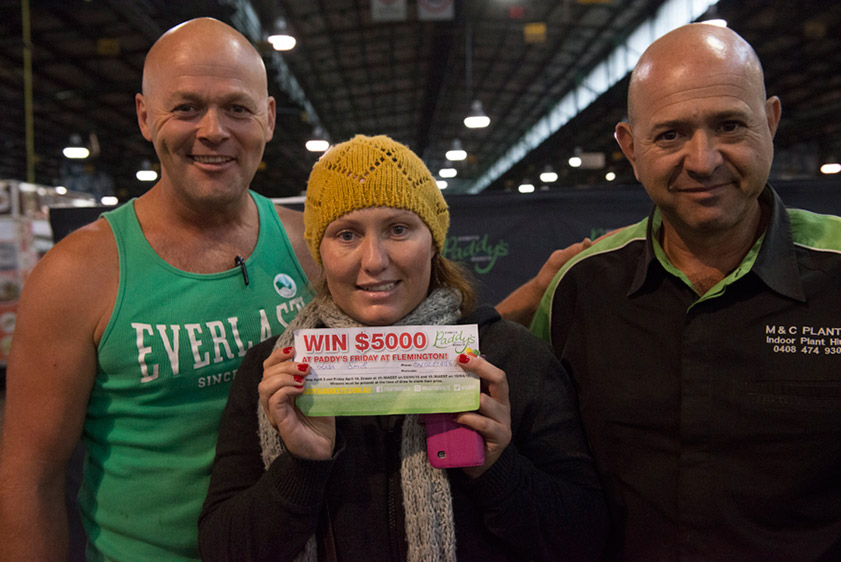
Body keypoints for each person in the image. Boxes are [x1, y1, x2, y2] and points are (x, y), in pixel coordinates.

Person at [198, 134, 608, 561]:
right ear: (320, 250)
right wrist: (302, 466)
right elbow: (222, 549)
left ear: (433, 242)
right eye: (346, 235)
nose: (374, 260)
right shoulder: (276, 372)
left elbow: (585, 538)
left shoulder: (510, 358)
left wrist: (497, 469)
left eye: (398, 229)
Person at [0, 18, 319, 562]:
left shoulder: (312, 247)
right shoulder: (75, 275)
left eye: (237, 108)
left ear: (268, 118)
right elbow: (30, 479)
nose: (213, 130)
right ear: (146, 116)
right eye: (187, 107)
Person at [531, 23, 841, 561]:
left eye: (729, 125)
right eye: (670, 135)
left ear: (770, 122)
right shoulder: (580, 289)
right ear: (630, 147)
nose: (703, 160)